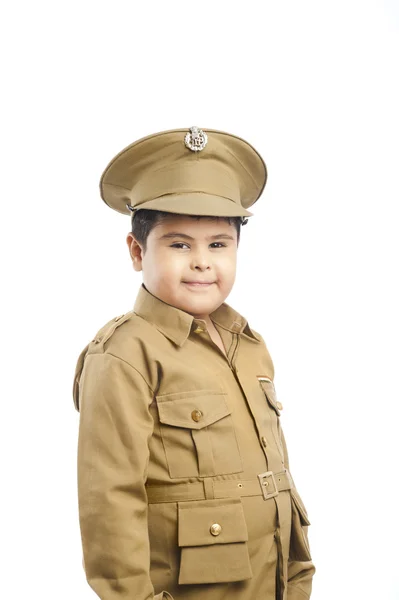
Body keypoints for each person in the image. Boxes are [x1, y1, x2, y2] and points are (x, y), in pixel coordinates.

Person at [72, 126, 316, 600]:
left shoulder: (249, 346)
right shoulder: (124, 354)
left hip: (271, 583)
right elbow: (109, 501)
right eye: (180, 245)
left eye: (219, 245)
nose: (202, 262)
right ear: (138, 251)